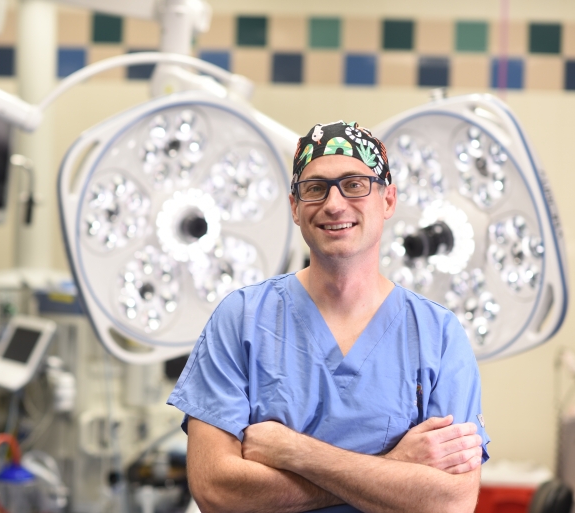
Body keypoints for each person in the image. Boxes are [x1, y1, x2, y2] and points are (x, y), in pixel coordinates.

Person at [166, 121, 491, 513]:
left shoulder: (436, 337)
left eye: (354, 184)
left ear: (388, 200)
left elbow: (450, 502)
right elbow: (216, 488)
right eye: (315, 188)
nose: (334, 204)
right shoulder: (242, 320)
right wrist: (394, 467)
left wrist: (294, 452)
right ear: (295, 208)